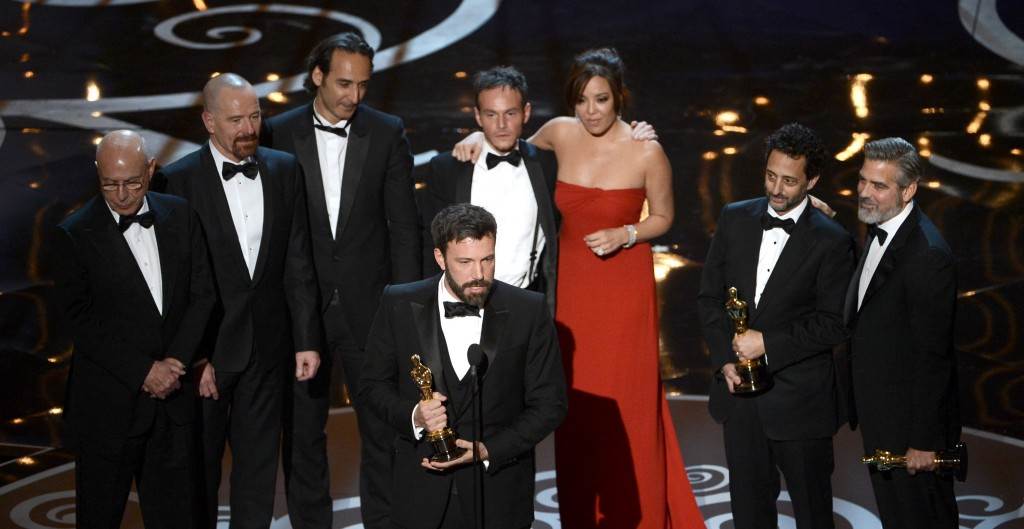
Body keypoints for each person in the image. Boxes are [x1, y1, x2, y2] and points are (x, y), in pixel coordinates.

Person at [455, 47, 703, 528]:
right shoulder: (559, 133)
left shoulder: (646, 150)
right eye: (582, 100)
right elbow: (509, 142)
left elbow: (665, 217)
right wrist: (474, 135)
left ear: (619, 98)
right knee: (574, 404)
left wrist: (626, 233)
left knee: (626, 403)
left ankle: (638, 515)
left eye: (601, 99)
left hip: (623, 290)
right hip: (570, 293)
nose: (591, 111)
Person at [261, 32, 421, 528]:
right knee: (302, 432)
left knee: (383, 429)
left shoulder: (387, 131)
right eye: (344, 83)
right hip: (300, 310)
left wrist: (405, 311)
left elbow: (404, 229)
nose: (355, 96)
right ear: (317, 76)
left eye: (364, 85)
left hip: (370, 309)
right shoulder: (277, 133)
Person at [157, 73, 322, 529]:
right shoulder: (178, 180)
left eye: (255, 116)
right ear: (209, 121)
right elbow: (175, 285)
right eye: (236, 120)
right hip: (209, 358)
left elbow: (298, 260)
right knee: (200, 473)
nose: (249, 128)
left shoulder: (284, 169)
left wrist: (306, 339)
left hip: (268, 349)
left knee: (258, 473)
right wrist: (195, 355)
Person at [359, 203, 567, 529]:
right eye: (465, 262)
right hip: (419, 494)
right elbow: (371, 386)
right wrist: (414, 416)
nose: (479, 275)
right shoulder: (398, 303)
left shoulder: (528, 310)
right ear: (440, 258)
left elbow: (550, 404)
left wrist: (488, 450)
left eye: (488, 259)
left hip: (499, 494)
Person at [50, 130, 215, 528]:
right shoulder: (74, 233)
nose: (122, 195)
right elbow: (80, 321)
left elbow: (203, 295)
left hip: (172, 404)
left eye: (132, 182)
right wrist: (144, 371)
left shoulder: (181, 215)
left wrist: (176, 362)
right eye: (110, 184)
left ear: (151, 169)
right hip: (108, 409)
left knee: (176, 518)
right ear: (97, 174)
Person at [696, 123, 854, 529]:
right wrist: (724, 361)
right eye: (770, 176)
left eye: (789, 180)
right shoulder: (734, 218)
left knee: (813, 515)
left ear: (812, 181)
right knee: (749, 515)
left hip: (800, 404)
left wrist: (767, 342)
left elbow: (834, 324)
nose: (776, 189)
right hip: (740, 402)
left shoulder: (832, 241)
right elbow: (709, 298)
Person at [845, 138, 960, 529]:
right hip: (881, 415)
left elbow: (933, 357)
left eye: (879, 186)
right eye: (863, 180)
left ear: (909, 190)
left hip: (910, 431)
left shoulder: (928, 256)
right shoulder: (881, 226)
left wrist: (923, 441)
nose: (865, 192)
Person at [420, 66, 559, 313]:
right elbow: (429, 243)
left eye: (510, 113)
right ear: (478, 116)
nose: (501, 124)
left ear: (526, 113)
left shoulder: (546, 164)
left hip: (526, 303)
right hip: (463, 305)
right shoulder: (448, 169)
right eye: (491, 114)